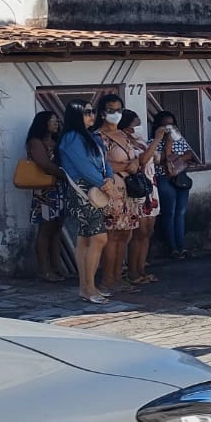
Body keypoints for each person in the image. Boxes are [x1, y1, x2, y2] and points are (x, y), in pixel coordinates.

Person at [57, 102, 116, 304]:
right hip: (83, 190)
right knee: (99, 238)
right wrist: (104, 184)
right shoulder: (72, 138)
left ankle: (86, 286)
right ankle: (88, 287)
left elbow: (103, 161)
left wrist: (109, 178)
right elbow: (83, 167)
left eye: (93, 112)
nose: (92, 116)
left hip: (96, 187)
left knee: (85, 238)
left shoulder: (91, 136)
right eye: (87, 113)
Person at [94, 94, 141, 293]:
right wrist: (125, 165)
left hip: (129, 192)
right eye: (111, 110)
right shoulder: (97, 136)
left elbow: (137, 158)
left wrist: (134, 164)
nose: (115, 114)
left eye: (119, 110)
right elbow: (99, 163)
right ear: (103, 113)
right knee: (112, 235)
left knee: (125, 234)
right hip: (112, 191)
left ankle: (118, 276)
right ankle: (108, 279)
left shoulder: (124, 135)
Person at [24, 110, 68, 282]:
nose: (55, 123)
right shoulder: (35, 142)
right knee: (45, 228)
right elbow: (44, 164)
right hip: (45, 189)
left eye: (56, 121)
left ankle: (56, 267)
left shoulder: (57, 141)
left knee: (57, 228)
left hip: (59, 188)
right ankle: (44, 269)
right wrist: (65, 174)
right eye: (52, 121)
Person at [119, 109, 159, 286]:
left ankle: (142, 268)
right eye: (136, 124)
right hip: (137, 189)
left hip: (151, 187)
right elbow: (141, 161)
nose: (139, 127)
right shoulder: (126, 144)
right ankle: (132, 271)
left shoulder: (141, 142)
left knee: (148, 232)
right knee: (139, 232)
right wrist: (157, 139)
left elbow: (156, 159)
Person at [151, 110, 194, 261]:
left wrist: (175, 160)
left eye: (172, 125)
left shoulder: (180, 139)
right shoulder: (153, 142)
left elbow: (190, 154)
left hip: (180, 178)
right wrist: (167, 142)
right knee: (169, 213)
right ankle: (173, 248)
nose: (169, 128)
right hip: (164, 178)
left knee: (180, 213)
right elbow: (162, 159)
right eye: (165, 125)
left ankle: (182, 246)